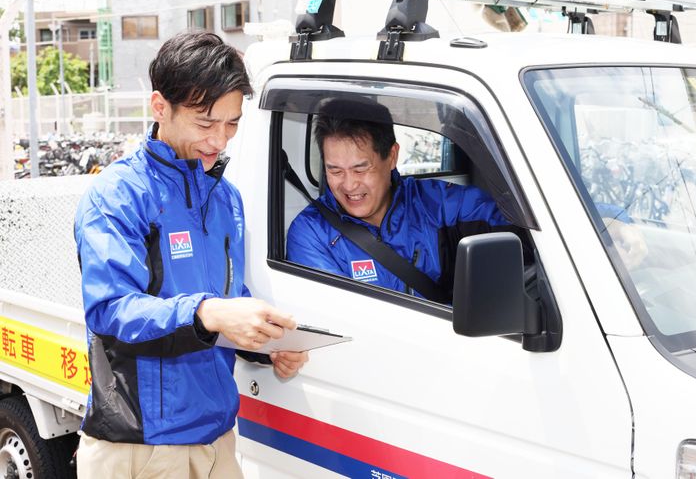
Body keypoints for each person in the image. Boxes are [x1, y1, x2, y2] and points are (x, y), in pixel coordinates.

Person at [73, 31, 308, 479]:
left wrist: (267, 345)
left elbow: (227, 299)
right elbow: (110, 309)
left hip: (217, 440)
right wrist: (208, 312)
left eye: (232, 123)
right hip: (140, 447)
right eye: (205, 123)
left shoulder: (226, 198)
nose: (220, 140)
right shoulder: (119, 194)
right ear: (160, 107)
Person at [287, 111, 524, 300]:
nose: (349, 185)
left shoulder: (436, 204)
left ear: (392, 156)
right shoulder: (311, 232)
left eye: (360, 169)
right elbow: (342, 316)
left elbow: (525, 231)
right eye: (335, 171)